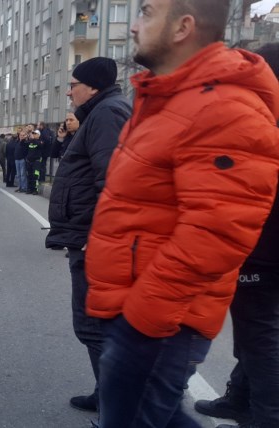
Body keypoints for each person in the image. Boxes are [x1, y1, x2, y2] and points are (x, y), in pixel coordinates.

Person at [83, 1, 279, 426]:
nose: (135, 25)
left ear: (183, 27)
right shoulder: (170, 100)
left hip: (159, 322)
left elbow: (217, 232)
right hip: (139, 311)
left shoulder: (223, 107)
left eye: (148, 13)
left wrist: (142, 318)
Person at [193, 42, 279, 428]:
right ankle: (240, 398)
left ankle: (267, 416)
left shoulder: (263, 121)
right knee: (255, 332)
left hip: (263, 247)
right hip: (262, 244)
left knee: (260, 334)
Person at [44, 56, 132, 413]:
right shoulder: (102, 111)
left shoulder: (108, 113)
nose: (68, 92)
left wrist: (96, 237)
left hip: (94, 239)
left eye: (74, 84)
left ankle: (115, 403)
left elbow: (113, 181)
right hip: (90, 234)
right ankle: (109, 395)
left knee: (93, 324)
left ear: (92, 86)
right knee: (94, 324)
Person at [25, 129, 44, 194]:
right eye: (33, 134)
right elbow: (24, 144)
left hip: (36, 162)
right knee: (29, 175)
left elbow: (40, 145)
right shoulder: (30, 142)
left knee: (35, 175)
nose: (33, 135)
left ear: (38, 135)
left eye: (35, 134)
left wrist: (34, 139)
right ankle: (29, 189)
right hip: (29, 161)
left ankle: (35, 189)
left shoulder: (40, 141)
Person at [13, 127, 29, 193]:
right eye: (21, 135)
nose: (21, 136)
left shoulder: (25, 142)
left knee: (23, 174)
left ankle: (24, 187)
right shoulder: (17, 142)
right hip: (16, 159)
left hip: (22, 159)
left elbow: (24, 148)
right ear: (19, 136)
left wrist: (24, 139)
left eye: (23, 135)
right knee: (18, 174)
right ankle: (19, 187)